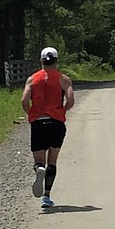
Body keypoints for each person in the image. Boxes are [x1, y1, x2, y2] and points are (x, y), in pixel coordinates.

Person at [21, 46, 74, 210]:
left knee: (39, 159)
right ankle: (46, 196)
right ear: (56, 60)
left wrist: (32, 113)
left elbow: (24, 100)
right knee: (53, 159)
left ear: (42, 61)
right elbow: (70, 100)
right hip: (56, 122)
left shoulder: (32, 79)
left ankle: (39, 169)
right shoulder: (63, 79)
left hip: (38, 121)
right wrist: (61, 111)